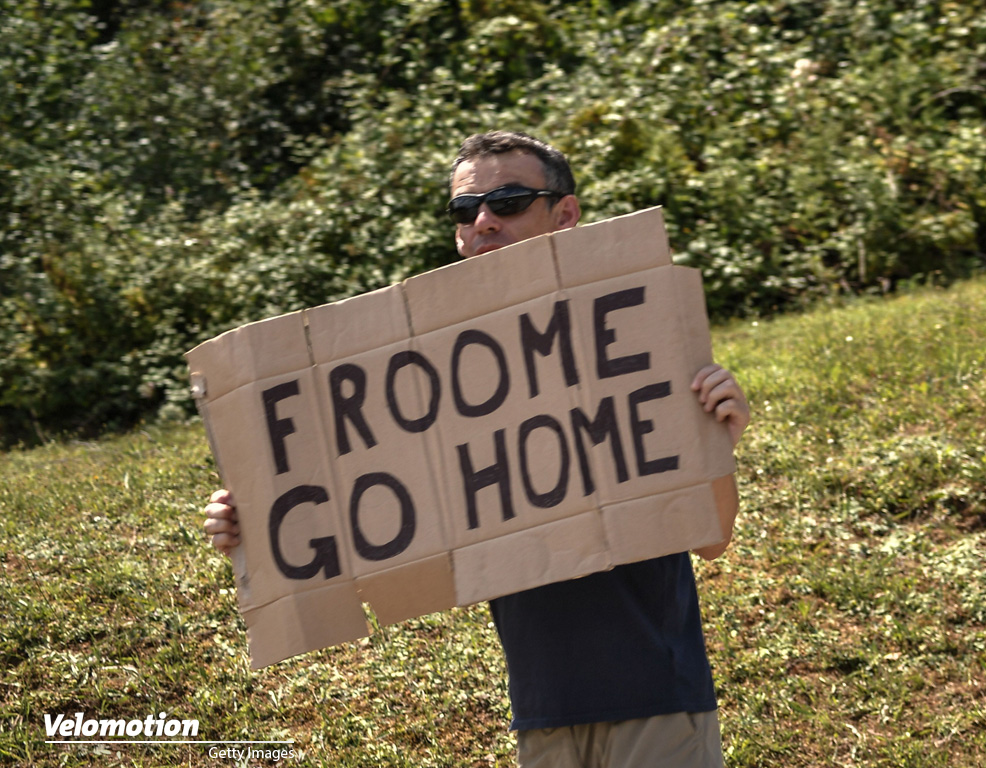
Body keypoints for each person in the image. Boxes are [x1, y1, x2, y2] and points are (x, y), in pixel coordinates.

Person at [204, 131, 750, 768]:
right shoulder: (430, 379)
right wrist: (263, 524)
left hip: (658, 703)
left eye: (510, 201)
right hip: (542, 717)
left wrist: (717, 441)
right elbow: (365, 503)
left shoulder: (632, 342)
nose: (484, 221)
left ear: (565, 215)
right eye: (466, 211)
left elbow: (711, 540)